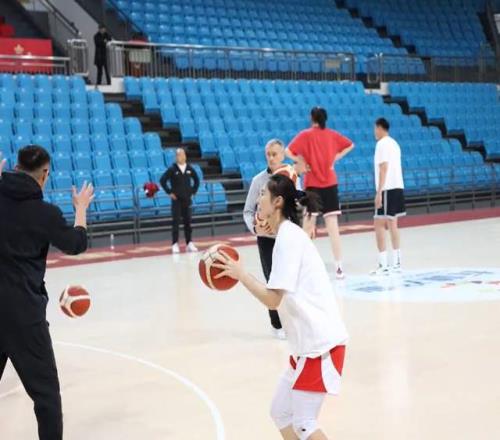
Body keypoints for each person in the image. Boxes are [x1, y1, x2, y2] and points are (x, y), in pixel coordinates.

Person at [215, 174, 348, 440]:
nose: (258, 199)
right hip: (304, 347)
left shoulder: (289, 239)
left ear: (277, 202)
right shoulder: (285, 236)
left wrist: (241, 274)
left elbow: (273, 300)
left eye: (262, 194)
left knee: (304, 423)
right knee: (280, 412)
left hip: (320, 345)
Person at [0, 146, 94, 440]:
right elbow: (76, 244)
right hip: (24, 316)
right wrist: (81, 208)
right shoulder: (44, 214)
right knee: (47, 397)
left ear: (16, 167)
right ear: (45, 174)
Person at [286, 107, 354, 279]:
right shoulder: (332, 135)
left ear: (312, 118)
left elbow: (288, 151)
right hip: (330, 184)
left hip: (312, 186)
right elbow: (350, 145)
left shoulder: (305, 135)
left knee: (307, 227)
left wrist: (301, 160)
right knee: (333, 227)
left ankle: (302, 267)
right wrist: (334, 158)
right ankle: (339, 267)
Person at [243, 139, 290, 339]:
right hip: (266, 240)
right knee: (272, 280)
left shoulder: (291, 179)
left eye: (275, 154)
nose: (271, 158)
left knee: (289, 280)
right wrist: (256, 228)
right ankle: (277, 325)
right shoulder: (258, 181)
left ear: (283, 155)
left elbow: (298, 206)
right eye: (268, 154)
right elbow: (247, 211)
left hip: (286, 238)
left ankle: (293, 321)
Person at [371, 117, 406, 275]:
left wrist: (379, 192)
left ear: (379, 128)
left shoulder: (382, 144)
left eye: (375, 128)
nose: (374, 132)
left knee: (378, 223)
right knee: (393, 224)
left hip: (387, 188)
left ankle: (383, 264)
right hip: (398, 186)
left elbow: (383, 168)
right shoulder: (395, 144)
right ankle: (397, 263)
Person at [160, 148, 200, 253]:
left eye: (182, 154)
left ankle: (189, 243)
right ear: (176, 157)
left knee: (188, 221)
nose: (180, 157)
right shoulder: (172, 169)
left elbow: (196, 180)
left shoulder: (189, 168)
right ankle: (175, 243)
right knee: (176, 222)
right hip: (176, 200)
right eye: (178, 155)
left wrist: (193, 191)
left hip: (187, 199)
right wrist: (169, 192)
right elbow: (162, 180)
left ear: (185, 156)